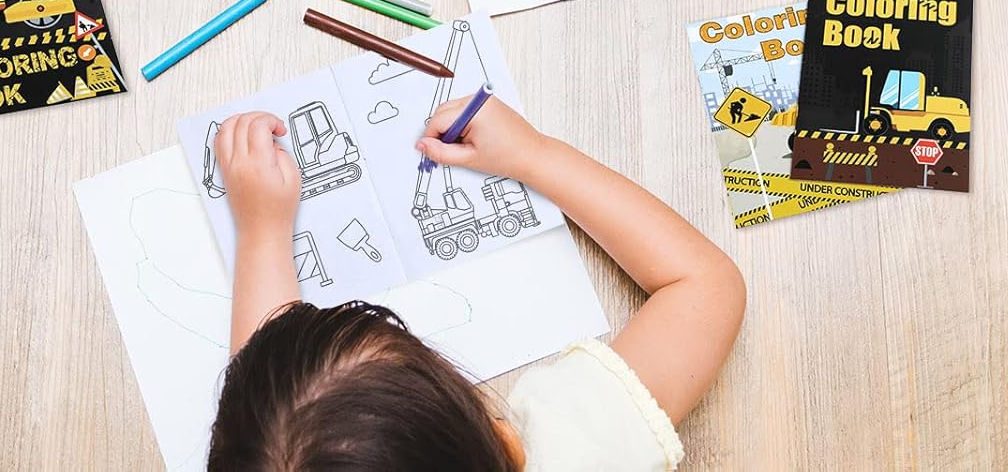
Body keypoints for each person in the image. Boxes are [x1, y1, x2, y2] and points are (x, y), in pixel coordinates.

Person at [208, 96, 745, 469]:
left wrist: (262, 230)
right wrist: (536, 155)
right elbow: (704, 286)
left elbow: (282, 417)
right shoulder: (571, 454)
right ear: (507, 443)